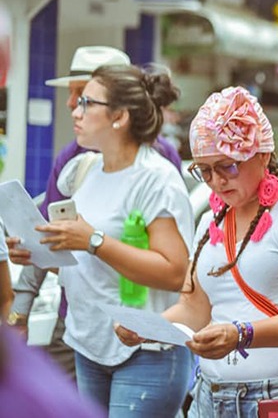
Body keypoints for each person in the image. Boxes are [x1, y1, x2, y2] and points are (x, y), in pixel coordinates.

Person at [115, 86, 278, 417]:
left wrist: (241, 334)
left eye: (227, 166)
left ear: (262, 155)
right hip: (211, 394)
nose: (216, 181)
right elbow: (194, 307)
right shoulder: (209, 221)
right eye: (204, 171)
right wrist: (147, 327)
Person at [7, 64, 194, 417]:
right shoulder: (83, 171)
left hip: (146, 352)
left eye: (88, 103)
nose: (76, 109)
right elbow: (74, 253)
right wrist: (35, 252)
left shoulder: (156, 179)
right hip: (88, 343)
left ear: (120, 116)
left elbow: (174, 272)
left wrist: (93, 240)